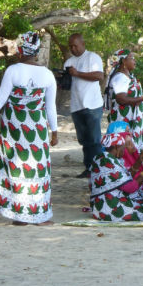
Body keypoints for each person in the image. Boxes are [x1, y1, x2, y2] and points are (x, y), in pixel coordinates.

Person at [0, 31, 58, 225]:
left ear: (20, 50)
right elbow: (51, 106)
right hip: (37, 128)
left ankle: (19, 214)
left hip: (14, 127)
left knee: (17, 166)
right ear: (36, 51)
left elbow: (0, 100)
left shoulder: (14, 70)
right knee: (36, 167)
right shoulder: (48, 75)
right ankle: (38, 214)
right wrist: (55, 131)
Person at [63, 33, 104, 178]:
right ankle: (89, 168)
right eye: (70, 46)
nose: (73, 49)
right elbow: (67, 85)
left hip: (92, 104)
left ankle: (100, 169)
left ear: (83, 44)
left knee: (94, 139)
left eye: (75, 45)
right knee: (84, 140)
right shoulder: (68, 62)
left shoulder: (92, 57)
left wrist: (77, 73)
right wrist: (61, 79)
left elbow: (99, 76)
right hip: (76, 105)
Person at [104, 49, 143, 151]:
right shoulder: (120, 78)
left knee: (131, 147)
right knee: (124, 146)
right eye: (132, 58)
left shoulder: (128, 77)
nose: (134, 61)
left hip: (131, 118)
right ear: (123, 61)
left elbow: (130, 95)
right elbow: (121, 99)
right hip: (124, 118)